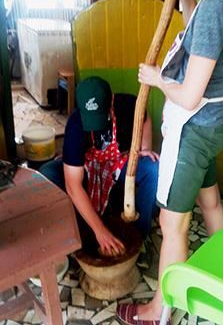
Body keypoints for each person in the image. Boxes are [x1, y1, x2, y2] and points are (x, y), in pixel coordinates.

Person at [116, 0, 223, 323]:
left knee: (170, 223)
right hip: (213, 126)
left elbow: (190, 94)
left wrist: (157, 79)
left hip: (192, 129)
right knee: (210, 200)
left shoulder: (215, 7)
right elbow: (197, 26)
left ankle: (158, 310)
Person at [39, 76, 159, 257]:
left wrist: (145, 148)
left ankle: (138, 234)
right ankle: (77, 227)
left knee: (153, 169)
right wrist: (100, 231)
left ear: (111, 100)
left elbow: (146, 117)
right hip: (88, 165)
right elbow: (73, 185)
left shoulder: (126, 104)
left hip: (119, 161)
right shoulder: (75, 124)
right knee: (47, 174)